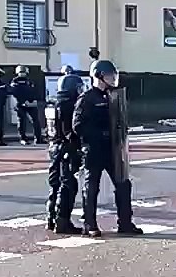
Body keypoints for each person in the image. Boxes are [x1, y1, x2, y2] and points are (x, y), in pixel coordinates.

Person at [73, 59, 142, 237]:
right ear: (99, 76)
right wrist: (99, 134)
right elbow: (77, 126)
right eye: (109, 76)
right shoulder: (87, 98)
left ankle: (125, 222)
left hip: (113, 149)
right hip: (94, 150)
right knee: (91, 187)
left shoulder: (114, 96)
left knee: (123, 184)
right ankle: (90, 224)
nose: (113, 79)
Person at [45, 72, 84, 234]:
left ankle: (51, 218)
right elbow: (70, 130)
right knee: (68, 185)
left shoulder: (54, 104)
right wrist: (78, 146)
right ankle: (62, 221)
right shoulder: (69, 105)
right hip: (65, 147)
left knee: (54, 185)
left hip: (53, 146)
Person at [9, 65, 46, 145]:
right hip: (20, 104)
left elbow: (35, 91)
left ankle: (38, 138)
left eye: (24, 72)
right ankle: (23, 138)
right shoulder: (14, 82)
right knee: (22, 122)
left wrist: (35, 100)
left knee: (36, 121)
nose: (22, 74)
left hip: (31, 104)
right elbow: (15, 93)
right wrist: (23, 102)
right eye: (21, 72)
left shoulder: (29, 81)